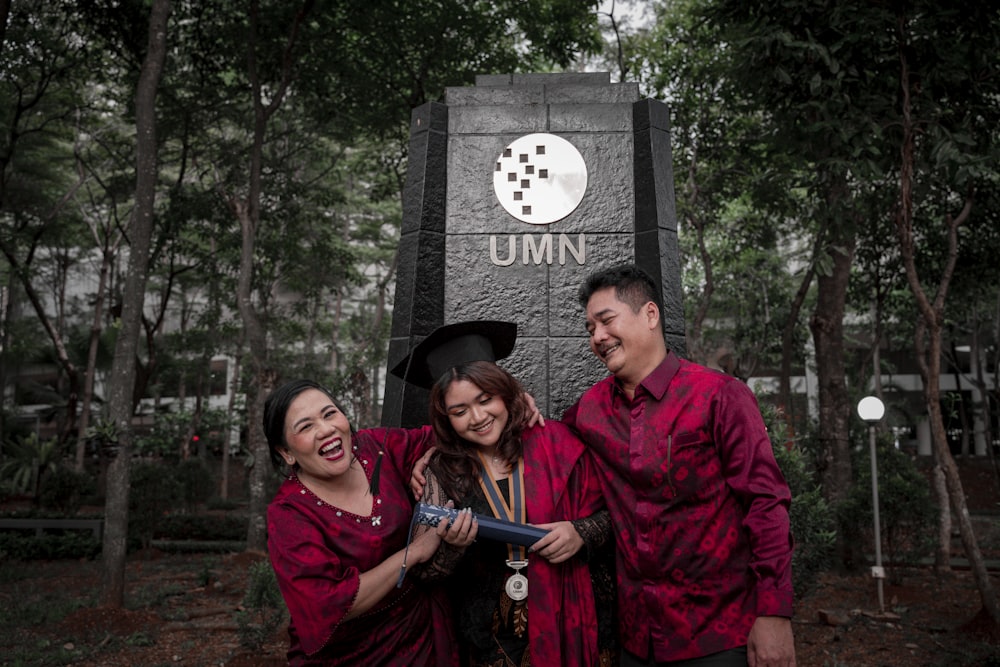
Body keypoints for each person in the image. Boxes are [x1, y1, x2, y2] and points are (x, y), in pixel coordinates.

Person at [562, 264, 796, 667]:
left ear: (650, 315)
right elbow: (537, 442)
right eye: (589, 329)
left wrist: (774, 614)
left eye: (605, 321)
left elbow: (765, 503)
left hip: (719, 633)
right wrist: (430, 448)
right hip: (636, 638)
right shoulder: (590, 410)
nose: (597, 337)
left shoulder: (720, 395)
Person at [392, 320, 617, 667]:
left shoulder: (557, 442)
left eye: (485, 400)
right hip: (491, 640)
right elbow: (426, 575)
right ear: (445, 417)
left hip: (575, 622)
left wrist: (580, 532)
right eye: (459, 411)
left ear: (504, 393)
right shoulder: (441, 472)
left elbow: (616, 517)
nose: (478, 417)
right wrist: (453, 547)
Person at [263, 379, 458, 666]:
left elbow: (448, 433)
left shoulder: (376, 447)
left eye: (330, 414)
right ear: (286, 452)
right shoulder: (289, 514)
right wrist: (413, 553)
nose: (326, 429)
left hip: (421, 638)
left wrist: (512, 404)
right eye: (305, 427)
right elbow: (327, 603)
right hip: (348, 654)